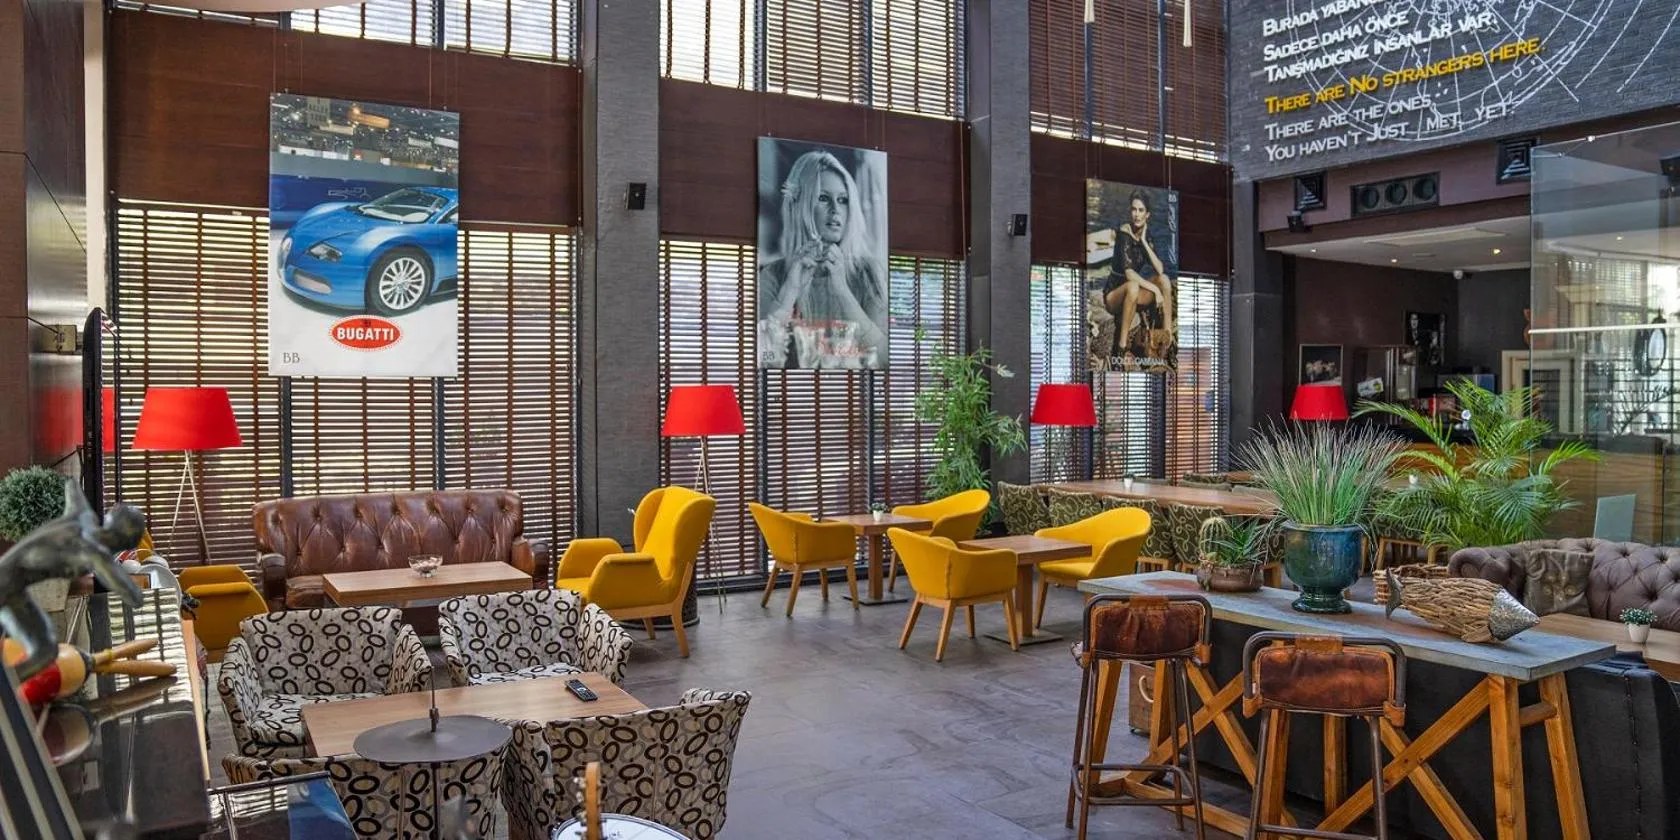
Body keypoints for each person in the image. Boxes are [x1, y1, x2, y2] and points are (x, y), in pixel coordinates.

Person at [758, 150, 888, 369]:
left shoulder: (870, 273)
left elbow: (884, 359)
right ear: (799, 204)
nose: (836, 210)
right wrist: (789, 291)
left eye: (843, 200)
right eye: (824, 198)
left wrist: (842, 291)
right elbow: (765, 358)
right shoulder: (771, 276)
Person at [1101, 190, 1176, 361]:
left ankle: (1167, 339)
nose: (1136, 214)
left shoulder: (1145, 236)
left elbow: (1160, 269)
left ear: (1147, 215)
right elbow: (1129, 274)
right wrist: (1154, 291)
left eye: (1141, 210)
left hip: (1133, 295)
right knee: (1133, 286)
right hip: (1114, 296)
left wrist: (1143, 242)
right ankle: (1120, 348)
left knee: (1164, 280)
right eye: (1134, 209)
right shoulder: (1124, 234)